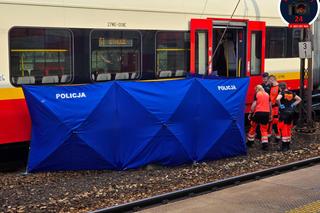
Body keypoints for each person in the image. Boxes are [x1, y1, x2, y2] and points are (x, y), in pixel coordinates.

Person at [276, 82, 302, 151]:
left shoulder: (281, 93)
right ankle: (288, 145)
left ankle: (284, 147)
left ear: (280, 88)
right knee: (288, 129)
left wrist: (280, 105)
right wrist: (293, 104)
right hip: (291, 113)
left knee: (283, 129)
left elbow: (277, 99)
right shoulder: (291, 93)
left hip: (284, 114)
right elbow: (299, 99)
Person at [247, 85, 272, 150]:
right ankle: (265, 145)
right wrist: (270, 115)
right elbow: (270, 105)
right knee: (264, 129)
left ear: (257, 89)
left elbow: (254, 104)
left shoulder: (257, 94)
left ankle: (250, 142)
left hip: (258, 113)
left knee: (253, 127)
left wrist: (250, 113)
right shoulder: (267, 94)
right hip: (266, 113)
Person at [268, 75, 281, 142]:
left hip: (276, 108)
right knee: (270, 122)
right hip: (271, 107)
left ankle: (278, 137)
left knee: (275, 123)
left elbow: (281, 98)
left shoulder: (279, 88)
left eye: (269, 80)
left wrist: (281, 107)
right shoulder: (270, 87)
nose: (268, 82)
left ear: (272, 79)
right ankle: (269, 137)